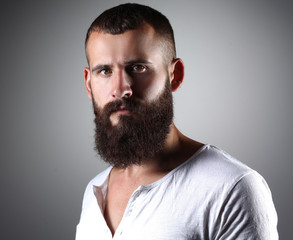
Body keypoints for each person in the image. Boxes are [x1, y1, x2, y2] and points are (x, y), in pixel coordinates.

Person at [76, 3, 278, 240]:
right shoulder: (94, 191)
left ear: (175, 75)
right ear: (89, 83)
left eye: (138, 67)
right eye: (104, 71)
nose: (120, 89)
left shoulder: (231, 188)